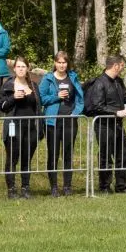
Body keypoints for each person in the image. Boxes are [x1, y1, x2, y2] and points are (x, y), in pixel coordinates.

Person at [89, 53, 126, 195]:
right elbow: (97, 106)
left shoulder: (119, 81)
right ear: (115, 66)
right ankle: (104, 187)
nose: (123, 68)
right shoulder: (100, 83)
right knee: (106, 156)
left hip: (118, 125)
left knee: (122, 155)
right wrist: (116, 112)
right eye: (122, 65)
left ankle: (121, 186)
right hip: (104, 125)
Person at [38, 51, 84, 197]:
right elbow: (41, 99)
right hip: (52, 122)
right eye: (59, 62)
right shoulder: (48, 78)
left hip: (70, 121)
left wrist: (75, 113)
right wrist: (56, 96)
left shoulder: (73, 77)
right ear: (55, 63)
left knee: (68, 154)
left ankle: (67, 186)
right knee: (53, 154)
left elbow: (80, 99)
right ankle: (54, 187)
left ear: (67, 63)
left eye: (64, 62)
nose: (62, 65)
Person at [0, 56, 41, 199]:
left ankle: (25, 188)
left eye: (23, 66)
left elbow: (38, 108)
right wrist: (13, 98)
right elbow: (1, 106)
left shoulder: (34, 86)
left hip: (30, 128)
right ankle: (11, 189)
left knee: (26, 158)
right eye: (18, 67)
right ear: (14, 68)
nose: (21, 69)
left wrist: (39, 128)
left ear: (28, 68)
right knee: (12, 158)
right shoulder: (8, 85)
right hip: (13, 127)